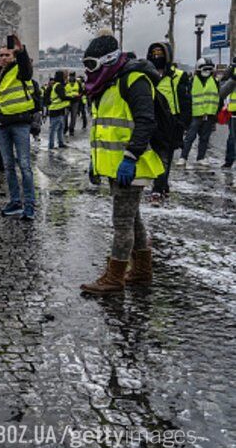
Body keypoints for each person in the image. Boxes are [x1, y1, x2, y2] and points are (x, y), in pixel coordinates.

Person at [79, 31, 165, 294]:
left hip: (132, 164)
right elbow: (104, 131)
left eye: (92, 65)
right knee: (133, 218)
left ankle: (114, 277)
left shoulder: (134, 81)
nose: (88, 72)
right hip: (116, 166)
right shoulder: (110, 84)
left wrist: (130, 157)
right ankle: (141, 270)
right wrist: (96, 163)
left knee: (122, 222)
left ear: (108, 60)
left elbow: (145, 121)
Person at [0, 34, 37, 220]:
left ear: (13, 56)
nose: (3, 58)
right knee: (8, 166)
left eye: (7, 55)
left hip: (19, 123)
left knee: (24, 165)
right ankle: (15, 201)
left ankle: (29, 204)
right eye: (1, 55)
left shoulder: (20, 70)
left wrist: (21, 51)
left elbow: (28, 71)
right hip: (1, 126)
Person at [146, 42, 189, 202]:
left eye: (160, 53)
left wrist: (182, 124)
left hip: (171, 121)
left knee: (165, 156)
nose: (157, 56)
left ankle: (158, 188)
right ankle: (162, 184)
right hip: (151, 118)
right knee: (154, 154)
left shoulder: (178, 76)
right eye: (154, 53)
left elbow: (186, 103)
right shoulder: (147, 74)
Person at [179, 57, 219, 167]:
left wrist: (216, 114)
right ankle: (183, 157)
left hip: (209, 114)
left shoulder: (214, 82)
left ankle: (200, 157)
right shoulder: (192, 81)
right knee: (189, 137)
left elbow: (218, 97)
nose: (207, 71)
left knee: (205, 138)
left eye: (209, 69)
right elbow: (187, 98)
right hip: (195, 114)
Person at [44, 71, 71, 150]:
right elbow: (62, 96)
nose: (65, 77)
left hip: (59, 109)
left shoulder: (56, 84)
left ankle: (60, 143)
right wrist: (73, 98)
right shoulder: (57, 85)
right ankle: (51, 145)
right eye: (64, 76)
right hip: (55, 109)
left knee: (60, 127)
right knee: (54, 128)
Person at [220, 60, 236, 169]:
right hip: (234, 113)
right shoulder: (232, 72)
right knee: (232, 138)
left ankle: (229, 161)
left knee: (232, 138)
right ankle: (229, 161)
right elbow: (222, 92)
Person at [65, 71, 81, 136]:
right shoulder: (66, 83)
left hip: (75, 102)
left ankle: (71, 129)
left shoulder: (78, 83)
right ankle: (65, 128)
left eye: (73, 76)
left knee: (73, 116)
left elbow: (81, 91)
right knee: (65, 116)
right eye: (71, 76)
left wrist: (79, 96)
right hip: (67, 102)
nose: (71, 77)